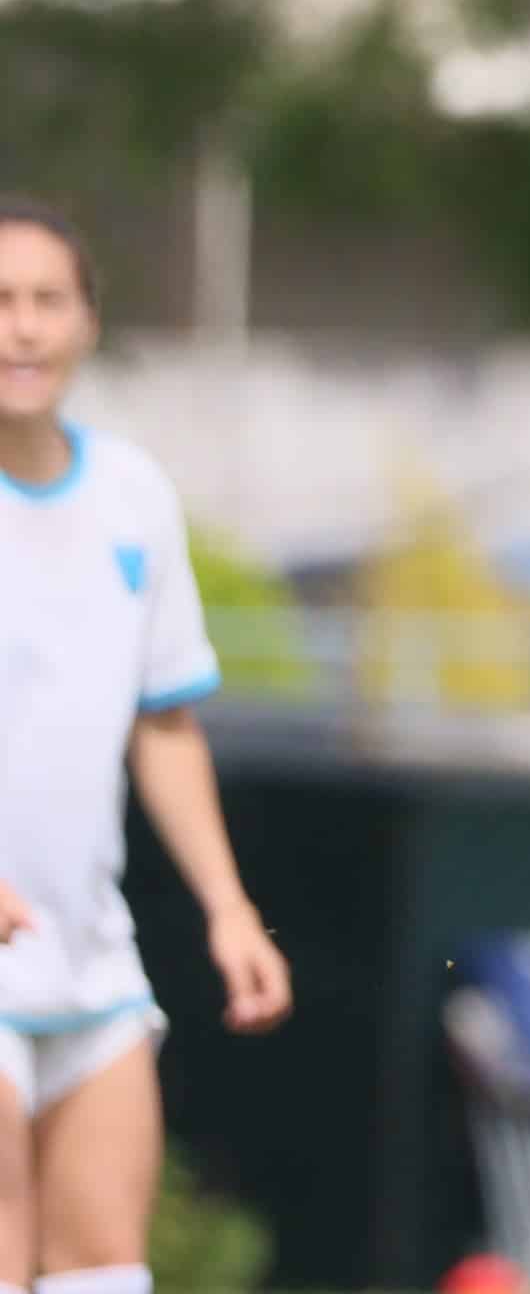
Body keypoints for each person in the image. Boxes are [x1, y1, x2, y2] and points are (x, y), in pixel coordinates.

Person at [0, 202, 294, 1294]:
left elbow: (163, 719)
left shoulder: (131, 495)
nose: (20, 330)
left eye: (45, 301)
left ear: (84, 322)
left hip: (88, 957)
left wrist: (227, 907)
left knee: (103, 1273)